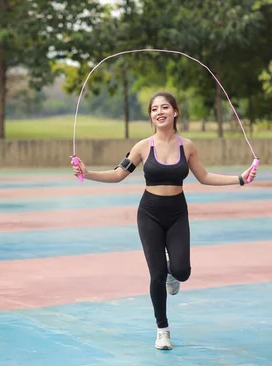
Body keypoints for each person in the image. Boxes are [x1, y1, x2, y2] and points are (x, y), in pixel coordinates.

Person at [71, 91, 257, 350]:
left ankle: (173, 273)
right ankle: (162, 329)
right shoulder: (142, 147)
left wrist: (240, 179)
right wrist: (87, 173)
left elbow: (203, 176)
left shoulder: (187, 146)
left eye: (165, 107)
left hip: (178, 212)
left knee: (181, 271)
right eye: (154, 109)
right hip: (149, 213)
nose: (160, 112)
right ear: (151, 115)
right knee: (156, 273)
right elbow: (117, 174)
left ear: (175, 111)